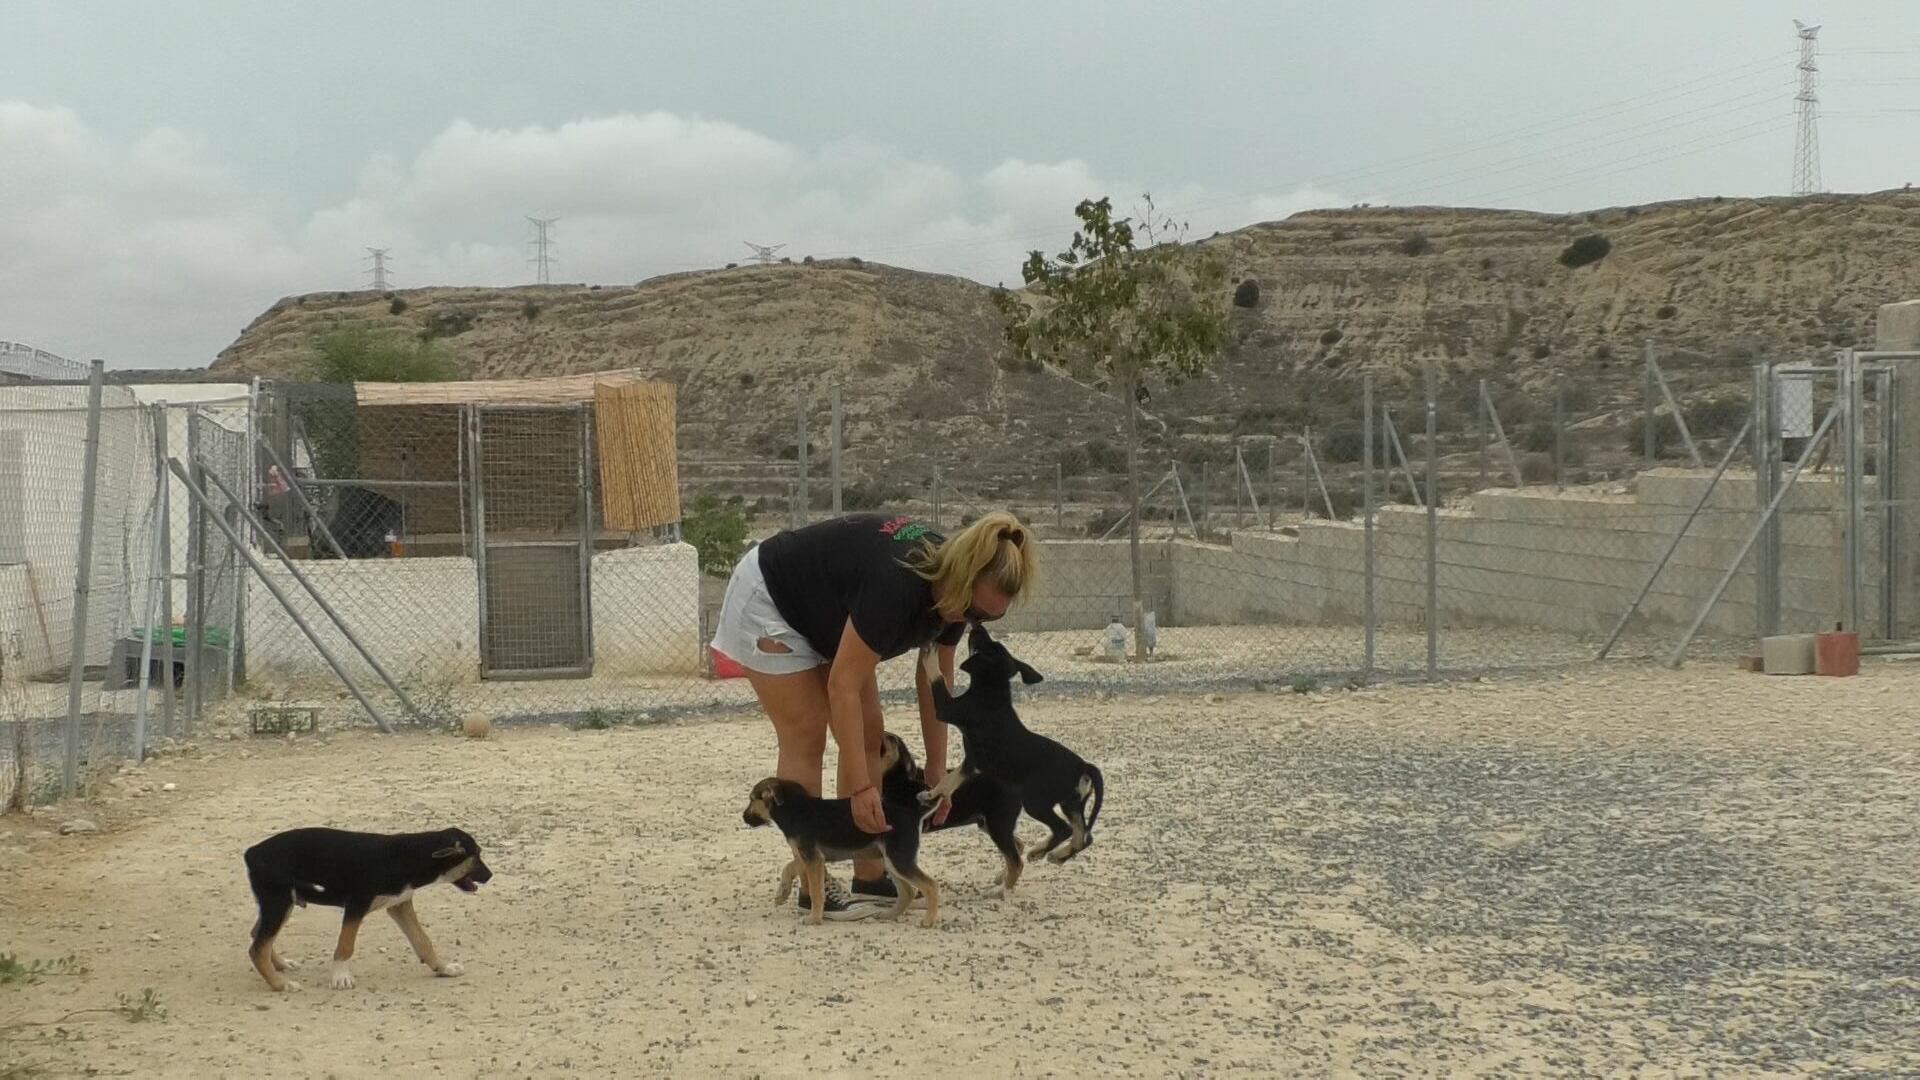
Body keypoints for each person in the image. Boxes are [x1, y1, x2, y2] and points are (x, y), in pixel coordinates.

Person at [711, 510, 1037, 919]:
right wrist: (864, 789)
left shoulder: (956, 599)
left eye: (990, 618)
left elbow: (935, 682)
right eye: (974, 612)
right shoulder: (897, 587)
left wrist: (938, 770)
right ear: (961, 576)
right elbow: (842, 686)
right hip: (771, 600)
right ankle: (814, 885)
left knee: (869, 733)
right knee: (806, 732)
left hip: (827, 614)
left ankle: (869, 873)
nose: (974, 623)